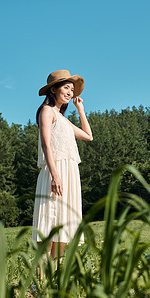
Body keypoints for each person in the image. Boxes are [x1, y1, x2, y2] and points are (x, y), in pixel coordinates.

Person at [32, 70, 93, 261]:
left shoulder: (64, 120)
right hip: (55, 172)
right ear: (53, 90)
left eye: (72, 89)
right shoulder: (47, 111)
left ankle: (55, 281)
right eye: (66, 87)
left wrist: (80, 110)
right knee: (49, 225)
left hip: (69, 174)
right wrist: (55, 175)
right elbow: (46, 144)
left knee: (63, 230)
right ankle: (40, 284)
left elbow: (88, 136)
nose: (70, 92)